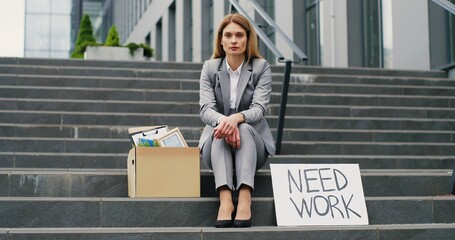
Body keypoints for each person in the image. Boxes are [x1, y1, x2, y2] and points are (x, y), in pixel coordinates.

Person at [198, 13, 276, 228]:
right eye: (229, 35)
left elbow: (259, 109)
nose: (234, 40)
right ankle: (225, 199)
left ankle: (244, 197)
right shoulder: (210, 68)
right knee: (221, 130)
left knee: (240, 127)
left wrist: (236, 119)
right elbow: (205, 110)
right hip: (216, 144)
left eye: (239, 35)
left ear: (248, 39)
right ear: (221, 40)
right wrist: (226, 122)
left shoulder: (261, 67)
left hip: (254, 144)